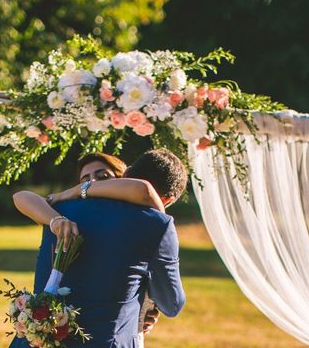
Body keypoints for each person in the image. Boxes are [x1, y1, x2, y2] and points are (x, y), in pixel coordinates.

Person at [10, 149, 188, 348]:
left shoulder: (58, 210)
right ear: (168, 201)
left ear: (126, 174)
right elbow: (172, 304)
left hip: (35, 341)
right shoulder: (159, 224)